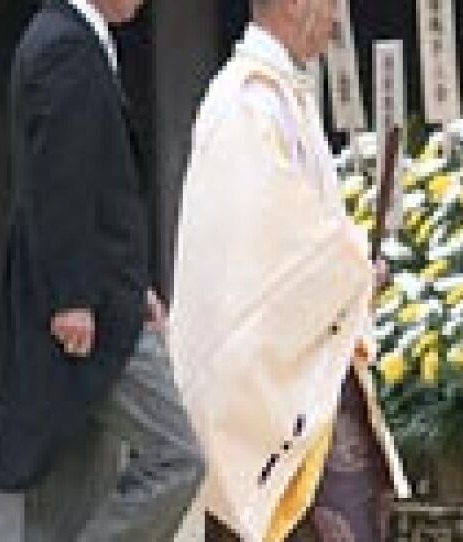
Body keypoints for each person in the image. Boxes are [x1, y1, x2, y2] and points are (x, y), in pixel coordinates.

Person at [168, 0, 410, 540]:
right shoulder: (247, 102)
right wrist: (352, 267)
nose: (337, 17)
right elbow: (271, 239)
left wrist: (349, 270)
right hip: (274, 374)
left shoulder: (275, 94)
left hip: (305, 359)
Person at [0, 0, 204, 539]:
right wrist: (73, 297)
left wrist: (135, 286)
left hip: (93, 296)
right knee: (177, 458)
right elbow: (61, 181)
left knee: (70, 496)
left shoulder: (69, 35)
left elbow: (91, 185)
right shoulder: (66, 44)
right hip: (88, 312)